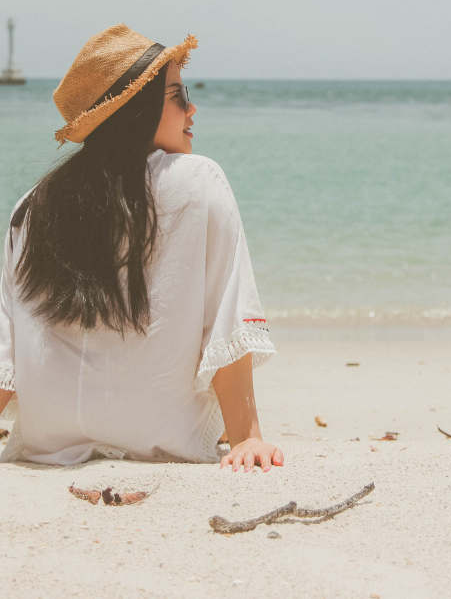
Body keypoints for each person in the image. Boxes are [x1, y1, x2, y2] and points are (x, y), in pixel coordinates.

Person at [0, 24, 283, 471]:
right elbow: (227, 311)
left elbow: (7, 341)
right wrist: (248, 438)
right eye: (178, 95)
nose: (193, 108)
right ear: (136, 110)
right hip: (157, 432)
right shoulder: (197, 179)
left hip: (46, 437)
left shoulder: (33, 203)